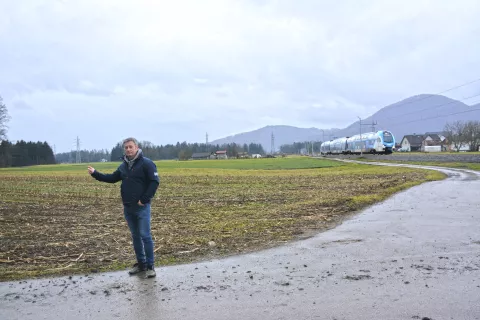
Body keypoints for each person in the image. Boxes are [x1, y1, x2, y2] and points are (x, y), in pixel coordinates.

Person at [87, 137, 160, 278]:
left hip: (142, 207)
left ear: (136, 147)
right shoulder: (123, 166)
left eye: (130, 147)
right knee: (136, 237)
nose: (128, 149)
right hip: (128, 208)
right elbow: (112, 178)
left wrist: (144, 199)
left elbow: (154, 182)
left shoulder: (147, 163)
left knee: (145, 236)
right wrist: (95, 173)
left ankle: (150, 266)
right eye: (126, 147)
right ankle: (141, 264)